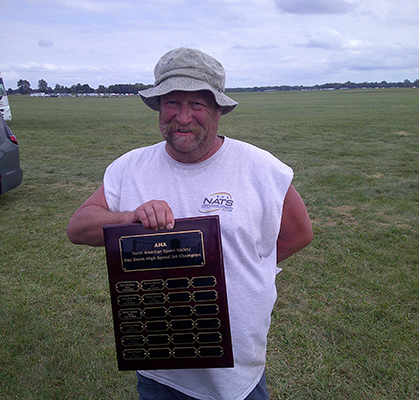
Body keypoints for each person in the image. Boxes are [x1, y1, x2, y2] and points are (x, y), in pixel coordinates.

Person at [67, 47, 313, 400]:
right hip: (160, 370)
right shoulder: (129, 168)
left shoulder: (261, 169)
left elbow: (299, 234)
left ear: (217, 110)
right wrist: (128, 218)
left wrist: (244, 272)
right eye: (172, 103)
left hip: (236, 377)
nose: (182, 117)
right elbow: (78, 227)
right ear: (158, 107)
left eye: (196, 104)